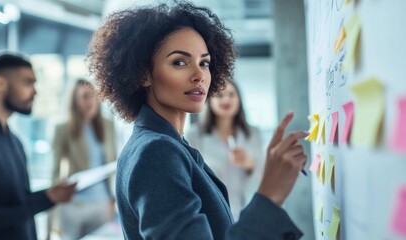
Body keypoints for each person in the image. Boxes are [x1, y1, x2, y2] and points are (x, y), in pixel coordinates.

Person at [87, 2, 308, 239]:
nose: (199, 75)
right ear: (143, 74)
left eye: (204, 63)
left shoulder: (161, 143)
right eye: (179, 62)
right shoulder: (156, 151)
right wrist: (269, 196)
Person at [0, 52, 76, 240]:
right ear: (0, 84)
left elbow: (17, 202)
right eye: (27, 82)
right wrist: (44, 200)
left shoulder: (13, 140)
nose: (35, 91)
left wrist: (50, 196)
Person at [186, 79, 265, 221]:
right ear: (210, 100)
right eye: (220, 95)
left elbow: (265, 176)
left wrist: (250, 163)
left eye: (231, 94)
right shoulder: (194, 136)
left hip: (246, 214)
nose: (226, 99)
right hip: (208, 215)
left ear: (239, 99)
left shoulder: (253, 134)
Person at [51, 79, 117, 239]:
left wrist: (114, 200)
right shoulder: (63, 128)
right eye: (85, 96)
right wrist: (50, 225)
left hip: (102, 205)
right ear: (75, 101)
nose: (91, 101)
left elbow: (114, 165)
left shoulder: (108, 126)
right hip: (73, 206)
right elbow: (54, 173)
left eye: (94, 96)